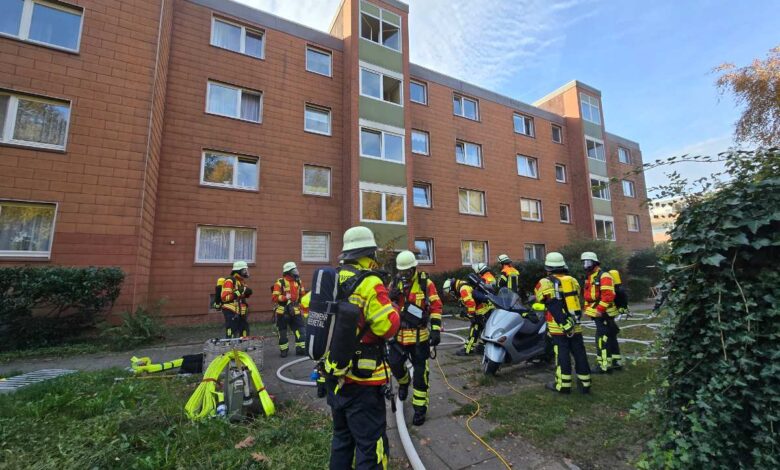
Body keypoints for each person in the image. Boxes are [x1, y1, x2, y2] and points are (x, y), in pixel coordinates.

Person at [325, 226, 400, 470]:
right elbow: (387, 327)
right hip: (364, 384)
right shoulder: (370, 282)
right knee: (371, 445)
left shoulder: (333, 279)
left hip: (335, 376)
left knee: (342, 440)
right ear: (369, 255)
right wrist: (394, 306)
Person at [387, 250, 442, 426]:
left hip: (419, 338)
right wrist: (390, 298)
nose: (404, 275)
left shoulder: (426, 283)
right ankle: (403, 383)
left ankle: (420, 409)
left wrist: (435, 330)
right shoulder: (394, 283)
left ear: (414, 268)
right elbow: (385, 306)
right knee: (394, 364)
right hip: (399, 337)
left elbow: (436, 306)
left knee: (420, 374)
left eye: (407, 271)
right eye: (401, 271)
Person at [534, 252, 591, 394]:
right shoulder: (573, 281)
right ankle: (585, 384)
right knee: (580, 353)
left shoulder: (544, 282)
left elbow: (540, 299)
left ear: (548, 268)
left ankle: (563, 385)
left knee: (562, 355)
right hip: (575, 324)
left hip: (558, 327)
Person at [581, 252, 622, 373]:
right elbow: (588, 296)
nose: (585, 265)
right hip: (600, 312)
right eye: (584, 262)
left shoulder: (604, 276)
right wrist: (587, 309)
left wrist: (599, 310)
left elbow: (608, 296)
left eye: (587, 262)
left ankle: (604, 366)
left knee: (602, 338)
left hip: (605, 313)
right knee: (610, 336)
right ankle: (616, 362)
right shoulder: (591, 276)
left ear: (594, 263)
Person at [443, 277, 492, 356]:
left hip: (482, 311)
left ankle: (468, 350)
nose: (452, 295)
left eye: (451, 293)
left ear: (452, 289)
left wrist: (471, 315)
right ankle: (481, 348)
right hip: (485, 309)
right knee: (483, 330)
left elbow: (471, 303)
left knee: (475, 330)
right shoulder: (462, 284)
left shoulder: (462, 289)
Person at [271, 262, 306, 357]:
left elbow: (303, 296)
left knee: (301, 331)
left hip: (296, 311)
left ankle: (301, 349)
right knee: (282, 333)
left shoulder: (298, 282)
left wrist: (303, 308)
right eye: (294, 270)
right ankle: (284, 350)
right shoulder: (280, 283)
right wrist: (285, 298)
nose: (297, 272)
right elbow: (274, 297)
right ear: (289, 272)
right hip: (282, 311)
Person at [220, 261, 252, 338]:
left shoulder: (241, 282)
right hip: (231, 310)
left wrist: (246, 293)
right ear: (239, 270)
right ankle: (229, 347)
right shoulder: (230, 281)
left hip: (240, 311)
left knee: (244, 330)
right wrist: (239, 291)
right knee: (231, 331)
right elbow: (225, 298)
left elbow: (240, 296)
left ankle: (242, 347)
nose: (246, 272)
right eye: (244, 270)